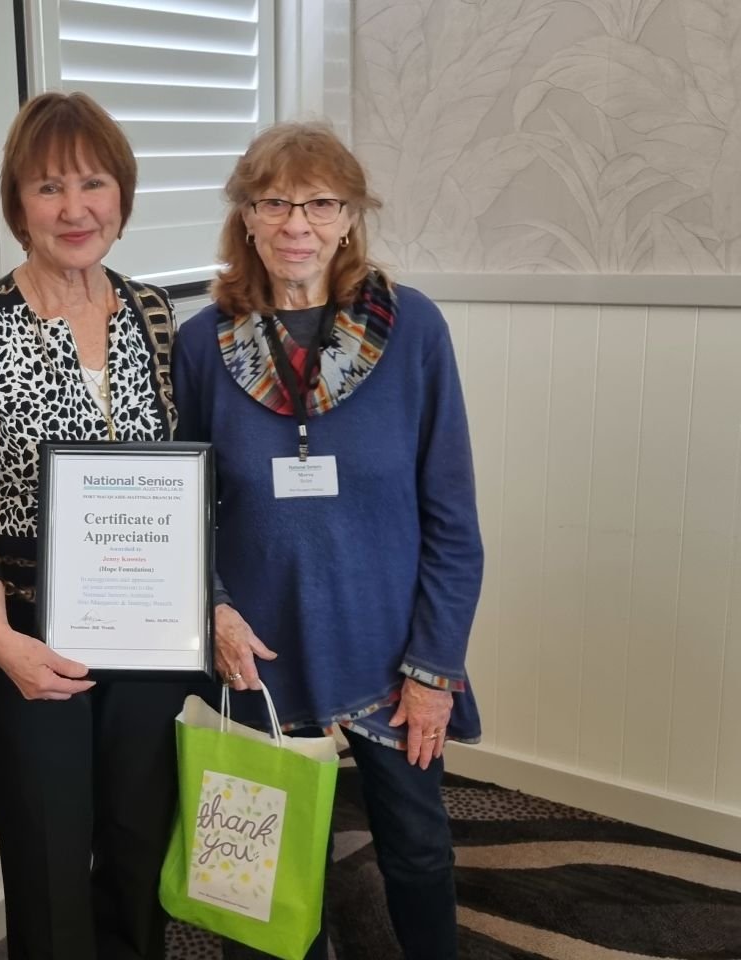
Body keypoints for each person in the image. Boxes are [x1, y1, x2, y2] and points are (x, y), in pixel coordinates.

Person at [172, 121, 483, 960]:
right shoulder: (205, 342)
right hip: (256, 647)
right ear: (246, 217)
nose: (295, 224)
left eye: (319, 203)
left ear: (351, 217)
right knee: (258, 865)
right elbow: (183, 506)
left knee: (417, 851)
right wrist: (215, 611)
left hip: (390, 654)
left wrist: (433, 669)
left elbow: (453, 518)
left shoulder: (410, 328)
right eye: (273, 202)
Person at [0, 91, 192, 960]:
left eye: (93, 183)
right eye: (48, 188)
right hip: (29, 637)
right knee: (46, 860)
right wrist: (0, 638)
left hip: (149, 632)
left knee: (137, 844)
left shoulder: (155, 316)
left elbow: (186, 478)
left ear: (121, 195)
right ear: (17, 207)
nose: (74, 208)